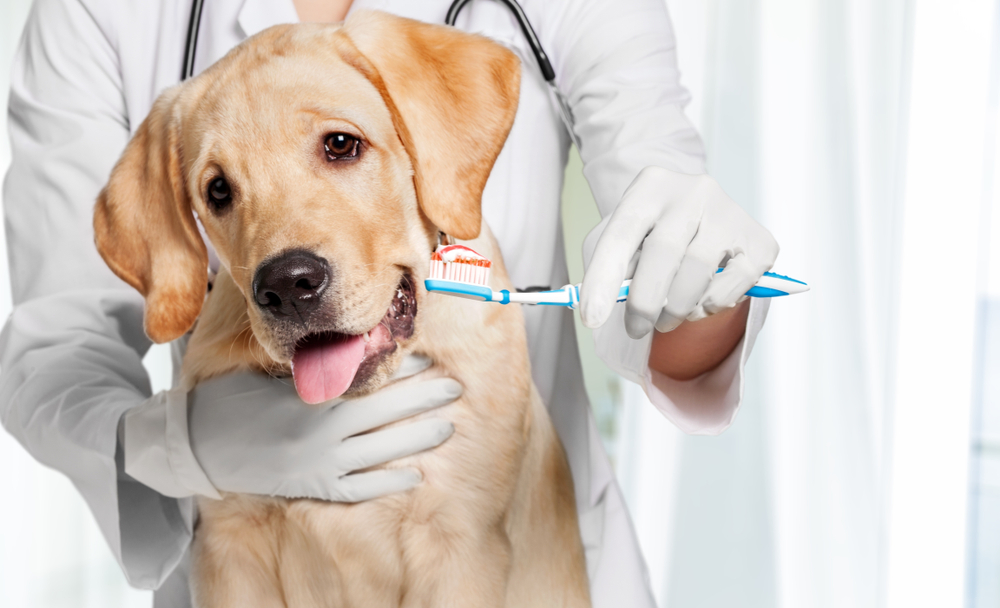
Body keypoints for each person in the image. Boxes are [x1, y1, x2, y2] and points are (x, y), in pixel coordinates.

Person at [0, 0, 778, 606]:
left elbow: (663, 259)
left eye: (339, 145)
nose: (287, 269)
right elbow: (53, 349)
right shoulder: (94, 14)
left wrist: (693, 277)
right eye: (219, 191)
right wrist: (179, 445)